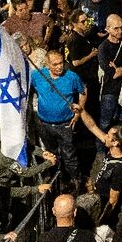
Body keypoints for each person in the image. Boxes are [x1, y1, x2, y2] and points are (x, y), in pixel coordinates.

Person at [72, 105, 122, 227]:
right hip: (96, 196)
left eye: (109, 136)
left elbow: (113, 201)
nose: (105, 137)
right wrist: (82, 111)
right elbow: (92, 127)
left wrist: (101, 221)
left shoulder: (120, 168)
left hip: (101, 206)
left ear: (116, 143)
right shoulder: (112, 149)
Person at [31, 51, 87, 180]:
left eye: (61, 63)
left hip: (65, 124)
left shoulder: (72, 77)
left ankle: (75, 181)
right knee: (51, 154)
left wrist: (79, 112)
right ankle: (58, 179)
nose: (59, 67)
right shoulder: (37, 76)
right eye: (55, 64)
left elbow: (83, 91)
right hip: (44, 125)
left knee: (69, 156)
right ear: (47, 64)